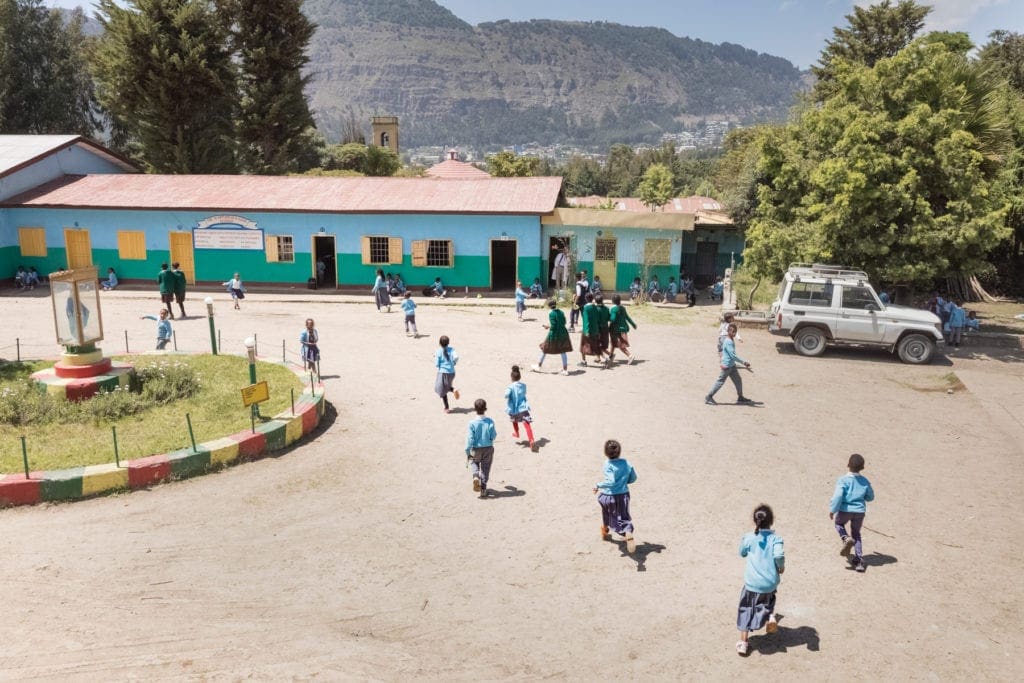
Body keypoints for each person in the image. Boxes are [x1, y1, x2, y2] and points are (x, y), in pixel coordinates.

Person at [736, 504, 784, 656]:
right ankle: (769, 615)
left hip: (751, 583)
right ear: (771, 520)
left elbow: (741, 552)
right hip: (769, 583)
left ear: (755, 520)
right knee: (767, 600)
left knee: (746, 609)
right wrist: (781, 568)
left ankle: (743, 643)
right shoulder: (776, 539)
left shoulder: (749, 537)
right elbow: (778, 556)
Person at [830, 453, 875, 573]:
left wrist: (832, 509)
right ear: (862, 468)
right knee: (857, 533)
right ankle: (859, 561)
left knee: (839, 524)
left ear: (848, 465)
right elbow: (870, 497)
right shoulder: (865, 481)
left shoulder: (843, 480)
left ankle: (845, 538)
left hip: (845, 510)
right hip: (859, 511)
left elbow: (838, 496)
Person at [593, 439, 637, 553]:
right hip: (623, 495)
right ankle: (628, 531)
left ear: (606, 453)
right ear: (619, 452)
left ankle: (606, 529)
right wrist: (624, 482)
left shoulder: (607, 464)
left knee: (607, 513)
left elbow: (611, 481)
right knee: (623, 515)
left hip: (610, 495)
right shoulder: (626, 463)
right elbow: (633, 478)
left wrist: (598, 485)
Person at [705, 323, 751, 405]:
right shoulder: (728, 342)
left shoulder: (729, 339)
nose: (734, 333)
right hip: (727, 366)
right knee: (720, 382)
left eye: (735, 332)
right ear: (728, 331)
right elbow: (733, 356)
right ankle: (709, 397)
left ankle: (740, 397)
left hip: (731, 365)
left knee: (738, 380)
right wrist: (744, 362)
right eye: (733, 332)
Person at [465, 398, 497, 498]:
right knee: (485, 468)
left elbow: (470, 438)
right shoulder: (490, 421)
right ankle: (483, 489)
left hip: (475, 448)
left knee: (474, 462)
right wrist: (490, 438)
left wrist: (467, 450)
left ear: (475, 409)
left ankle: (475, 476)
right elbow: (493, 435)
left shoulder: (472, 423)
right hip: (488, 448)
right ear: (485, 408)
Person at [532, 299, 572, 375]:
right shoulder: (561, 311)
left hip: (554, 334)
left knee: (544, 349)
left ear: (549, 306)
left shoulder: (551, 313)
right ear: (555, 304)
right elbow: (564, 322)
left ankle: (538, 366)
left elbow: (553, 326)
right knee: (563, 351)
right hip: (563, 333)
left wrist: (547, 326)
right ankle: (565, 369)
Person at [504, 365, 536, 452]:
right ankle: (531, 439)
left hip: (514, 409)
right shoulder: (524, 386)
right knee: (527, 425)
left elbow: (506, 395)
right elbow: (524, 393)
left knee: (514, 420)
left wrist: (508, 394)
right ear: (520, 377)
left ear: (511, 377)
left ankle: (517, 433)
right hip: (523, 408)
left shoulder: (510, 387)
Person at [579, 292, 609, 366]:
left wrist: (586, 331)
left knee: (583, 345)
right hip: (596, 330)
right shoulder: (595, 307)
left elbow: (586, 320)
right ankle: (603, 358)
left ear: (586, 299)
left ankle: (583, 361)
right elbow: (598, 319)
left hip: (588, 330)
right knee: (595, 346)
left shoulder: (586, 308)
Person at [608, 294, 637, 364]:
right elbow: (627, 317)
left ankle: (630, 355)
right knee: (613, 343)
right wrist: (633, 324)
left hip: (615, 329)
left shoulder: (613, 309)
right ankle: (611, 356)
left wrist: (608, 318)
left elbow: (613, 319)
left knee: (620, 345)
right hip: (623, 328)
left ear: (612, 301)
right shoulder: (623, 308)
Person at [434, 335, 459, 412]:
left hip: (443, 373)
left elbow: (436, 364)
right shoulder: (452, 349)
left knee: (441, 389)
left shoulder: (438, 351)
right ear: (448, 343)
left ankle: (446, 407)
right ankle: (452, 389)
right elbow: (456, 357)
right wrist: (454, 363)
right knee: (446, 387)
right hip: (452, 373)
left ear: (439, 343)